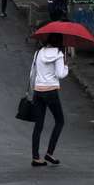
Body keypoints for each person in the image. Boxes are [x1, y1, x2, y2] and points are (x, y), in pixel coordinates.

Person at [30, 33, 68, 167]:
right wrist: (66, 66)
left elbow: (32, 74)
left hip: (38, 91)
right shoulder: (58, 54)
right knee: (60, 121)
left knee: (38, 125)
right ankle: (49, 153)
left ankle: (36, 157)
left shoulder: (38, 53)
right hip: (51, 91)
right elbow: (60, 74)